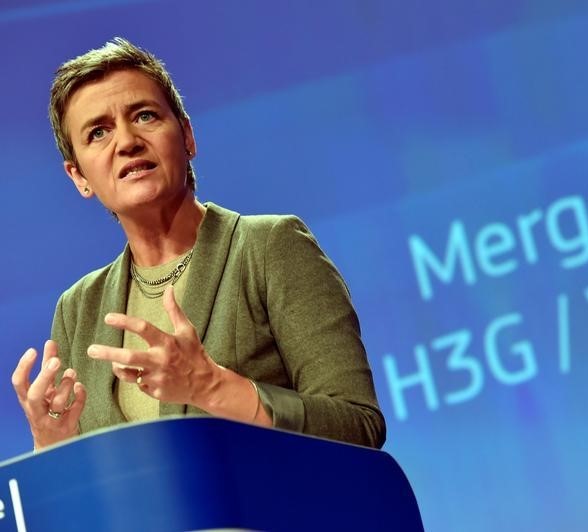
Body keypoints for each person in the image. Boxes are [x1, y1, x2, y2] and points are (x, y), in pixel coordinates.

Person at [11, 37, 385, 450]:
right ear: (78, 176)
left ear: (187, 136)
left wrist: (212, 386)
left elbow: (358, 426)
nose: (127, 141)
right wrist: (50, 443)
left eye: (145, 116)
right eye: (98, 132)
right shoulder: (77, 309)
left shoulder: (269, 248)